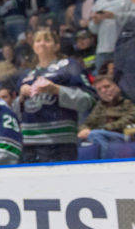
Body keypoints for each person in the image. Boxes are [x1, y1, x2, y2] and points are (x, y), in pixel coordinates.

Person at [15, 28, 96, 163]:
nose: (42, 44)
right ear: (33, 46)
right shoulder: (26, 75)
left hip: (60, 141)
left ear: (57, 46)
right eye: (38, 40)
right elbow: (18, 111)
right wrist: (21, 97)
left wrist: (56, 89)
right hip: (29, 142)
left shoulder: (69, 66)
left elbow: (88, 100)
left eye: (47, 40)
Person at [78, 73, 135, 159]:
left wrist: (102, 129)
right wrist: (83, 130)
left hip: (124, 137)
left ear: (117, 87)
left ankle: (105, 165)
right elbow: (88, 122)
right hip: (101, 135)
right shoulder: (99, 106)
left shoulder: (127, 103)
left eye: (107, 87)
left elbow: (128, 120)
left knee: (95, 135)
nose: (103, 91)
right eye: (99, 90)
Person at [89, 0, 131, 70]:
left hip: (125, 47)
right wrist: (95, 21)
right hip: (103, 49)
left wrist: (113, 16)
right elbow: (93, 29)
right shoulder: (100, 2)